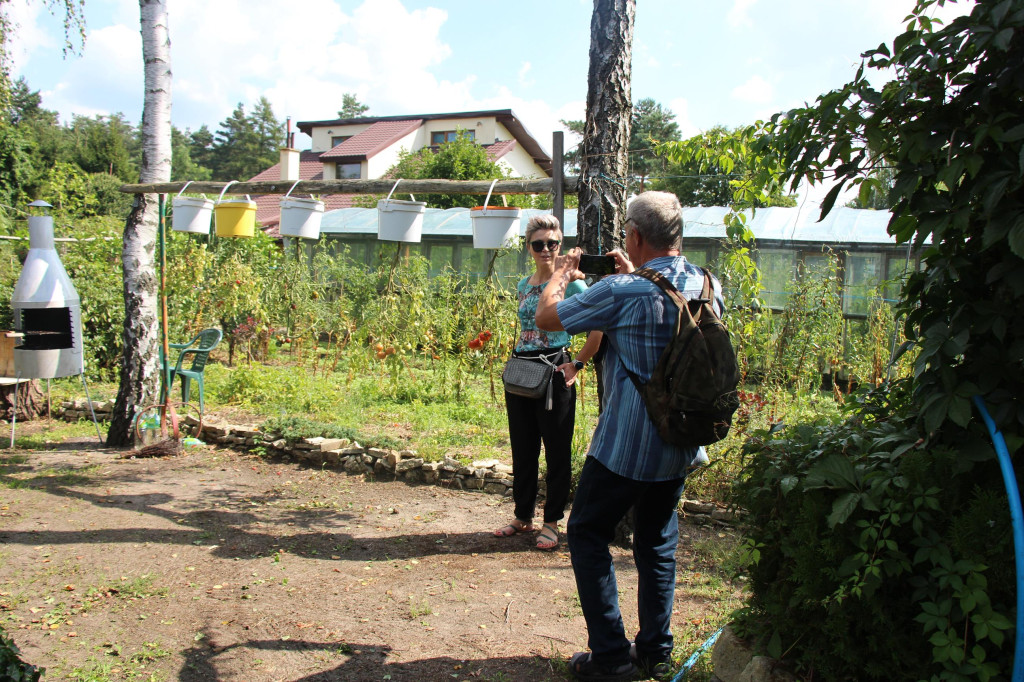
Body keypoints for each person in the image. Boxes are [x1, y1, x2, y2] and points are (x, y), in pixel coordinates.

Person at [534, 191, 724, 681]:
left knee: (587, 532)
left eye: (626, 235)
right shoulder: (706, 281)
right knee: (657, 541)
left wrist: (560, 276)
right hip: (681, 439)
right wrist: (627, 276)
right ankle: (656, 652)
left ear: (635, 236)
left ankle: (612, 657)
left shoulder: (626, 292)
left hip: (628, 445)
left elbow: (548, 319)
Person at [493, 214, 602, 551]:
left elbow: (599, 328)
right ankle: (523, 515)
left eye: (552, 244)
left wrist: (578, 363)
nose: (545, 250)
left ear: (560, 246)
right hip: (522, 373)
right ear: (529, 247)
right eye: (538, 244)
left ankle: (552, 522)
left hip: (555, 372)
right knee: (522, 448)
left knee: (556, 450)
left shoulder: (573, 284)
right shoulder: (524, 285)